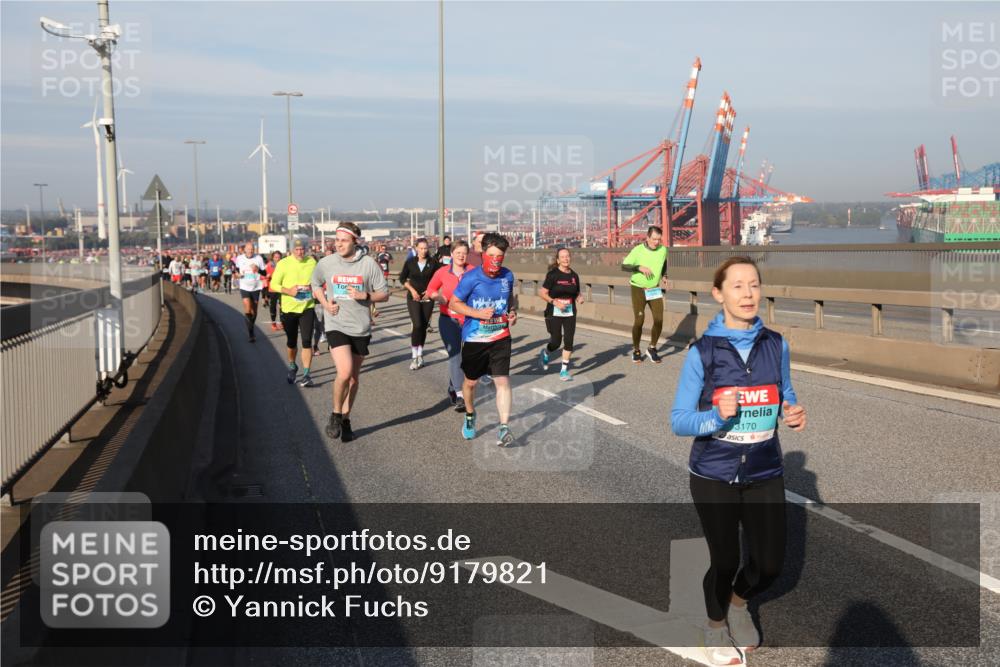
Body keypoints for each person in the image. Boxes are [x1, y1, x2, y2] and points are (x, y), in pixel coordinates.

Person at [670, 256, 807, 665]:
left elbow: (787, 392)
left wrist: (792, 411)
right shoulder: (702, 354)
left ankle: (739, 602)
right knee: (726, 558)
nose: (748, 294)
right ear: (719, 294)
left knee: (769, 565)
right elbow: (679, 421)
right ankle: (715, 627)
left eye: (754, 285)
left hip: (765, 469)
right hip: (714, 471)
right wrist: (715, 416)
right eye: (737, 286)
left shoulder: (776, 343)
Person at [312, 222, 389, 442]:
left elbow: (383, 294)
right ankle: (336, 414)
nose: (339, 244)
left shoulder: (368, 265)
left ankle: (346, 420)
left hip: (360, 327)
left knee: (354, 380)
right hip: (336, 323)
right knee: (344, 373)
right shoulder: (327, 263)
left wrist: (365, 296)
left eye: (344, 240)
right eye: (336, 240)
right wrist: (325, 304)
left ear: (355, 241)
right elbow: (315, 284)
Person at [448, 233, 518, 446]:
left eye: (500, 256)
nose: (496, 260)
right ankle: (470, 415)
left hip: (500, 336)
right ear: (483, 254)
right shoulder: (471, 278)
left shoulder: (508, 276)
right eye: (492, 255)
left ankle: (503, 428)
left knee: (502, 381)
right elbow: (454, 303)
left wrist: (513, 311)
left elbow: (510, 301)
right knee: (470, 383)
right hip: (475, 338)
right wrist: (477, 314)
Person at [426, 240, 470, 411]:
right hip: (448, 320)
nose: (461, 256)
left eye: (464, 253)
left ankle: (453, 387)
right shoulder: (442, 272)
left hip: (469, 320)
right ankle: (460, 394)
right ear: (451, 254)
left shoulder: (474, 272)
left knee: (467, 358)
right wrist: (438, 297)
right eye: (457, 252)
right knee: (455, 355)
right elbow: (430, 290)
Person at [270, 238, 319, 387]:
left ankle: (306, 374)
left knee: (306, 341)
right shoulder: (284, 263)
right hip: (289, 308)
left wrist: (315, 289)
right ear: (292, 250)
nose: (300, 252)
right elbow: (273, 284)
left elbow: (318, 280)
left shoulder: (312, 262)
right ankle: (292, 365)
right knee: (291, 342)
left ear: (306, 249)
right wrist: (289, 291)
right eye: (297, 249)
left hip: (307, 307)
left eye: (302, 249)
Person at [622, 225, 669, 363]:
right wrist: (639, 267)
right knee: (639, 320)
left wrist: (664, 275)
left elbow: (663, 262)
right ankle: (636, 350)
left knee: (659, 319)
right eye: (654, 239)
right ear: (647, 237)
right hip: (638, 288)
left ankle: (652, 348)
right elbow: (624, 266)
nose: (656, 242)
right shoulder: (638, 250)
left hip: (654, 289)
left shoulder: (663, 250)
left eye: (659, 240)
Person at [538, 247, 584, 381]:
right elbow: (542, 293)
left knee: (569, 341)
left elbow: (576, 292)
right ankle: (546, 352)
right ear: (558, 260)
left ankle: (564, 371)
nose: (566, 259)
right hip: (554, 312)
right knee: (556, 341)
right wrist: (555, 302)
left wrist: (579, 297)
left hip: (569, 312)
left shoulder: (574, 276)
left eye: (568, 256)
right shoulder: (553, 275)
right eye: (563, 257)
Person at [397, 238, 438, 370]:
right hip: (413, 297)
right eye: (421, 248)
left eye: (426, 248)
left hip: (428, 297)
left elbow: (439, 278)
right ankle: (414, 357)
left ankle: (420, 354)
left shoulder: (433, 262)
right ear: (416, 248)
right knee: (417, 324)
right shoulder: (410, 262)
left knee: (424, 326)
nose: (424, 251)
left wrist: (431, 290)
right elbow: (402, 278)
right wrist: (412, 290)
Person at [234, 242, 266, 342]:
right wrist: (237, 275)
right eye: (248, 249)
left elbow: (264, 273)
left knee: (254, 311)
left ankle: (251, 326)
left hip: (256, 287)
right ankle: (251, 333)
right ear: (245, 250)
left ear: (254, 250)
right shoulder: (240, 258)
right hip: (244, 286)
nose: (250, 251)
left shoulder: (259, 258)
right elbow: (236, 270)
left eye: (252, 249)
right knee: (248, 308)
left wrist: (257, 269)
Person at [265, 251, 283, 331]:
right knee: (273, 307)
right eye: (276, 257)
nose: (277, 259)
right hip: (272, 289)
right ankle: (273, 323)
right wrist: (267, 276)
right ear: (273, 257)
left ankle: (282, 322)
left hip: (282, 288)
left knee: (283, 306)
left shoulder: (284, 265)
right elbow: (264, 275)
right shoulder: (269, 265)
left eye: (279, 257)